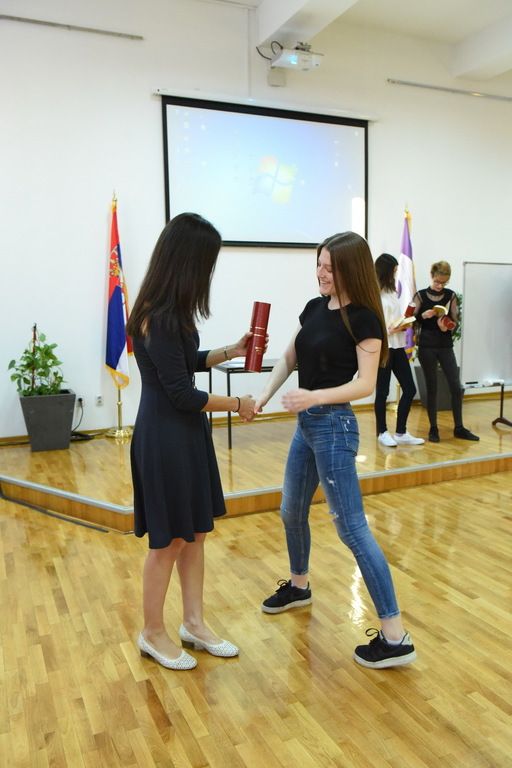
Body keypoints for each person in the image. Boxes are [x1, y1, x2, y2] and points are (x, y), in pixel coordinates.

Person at [253, 232, 417, 669]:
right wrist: (264, 396)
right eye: (319, 265)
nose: (321, 274)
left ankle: (395, 637)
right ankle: (299, 585)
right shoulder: (314, 308)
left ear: (350, 270)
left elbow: (365, 384)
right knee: (291, 511)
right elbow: (289, 358)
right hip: (307, 426)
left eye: (329, 267)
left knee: (352, 530)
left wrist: (315, 396)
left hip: (334, 427)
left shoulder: (364, 319)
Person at [126, 212, 256, 670]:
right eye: (206, 263)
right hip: (165, 438)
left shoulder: (170, 313)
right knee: (169, 542)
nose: (208, 273)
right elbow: (181, 393)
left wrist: (230, 351)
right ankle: (152, 632)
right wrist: (237, 403)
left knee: (195, 533)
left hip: (184, 435)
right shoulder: (159, 317)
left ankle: (194, 623)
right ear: (187, 262)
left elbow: (184, 362)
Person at [413, 261, 479, 443]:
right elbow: (411, 319)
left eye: (443, 282)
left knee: (456, 386)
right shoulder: (420, 296)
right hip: (426, 345)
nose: (440, 286)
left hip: (445, 345)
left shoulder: (451, 296)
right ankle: (433, 428)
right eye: (437, 281)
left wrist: (447, 326)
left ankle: (459, 427)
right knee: (432, 388)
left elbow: (455, 322)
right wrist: (422, 316)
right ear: (432, 276)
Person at [374, 253, 424, 447]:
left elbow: (394, 319)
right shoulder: (375, 294)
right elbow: (374, 325)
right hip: (384, 348)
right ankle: (382, 432)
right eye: (393, 271)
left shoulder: (392, 292)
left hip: (398, 345)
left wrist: (404, 324)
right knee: (383, 392)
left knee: (410, 388)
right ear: (385, 272)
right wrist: (391, 329)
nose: (395, 275)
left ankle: (401, 432)